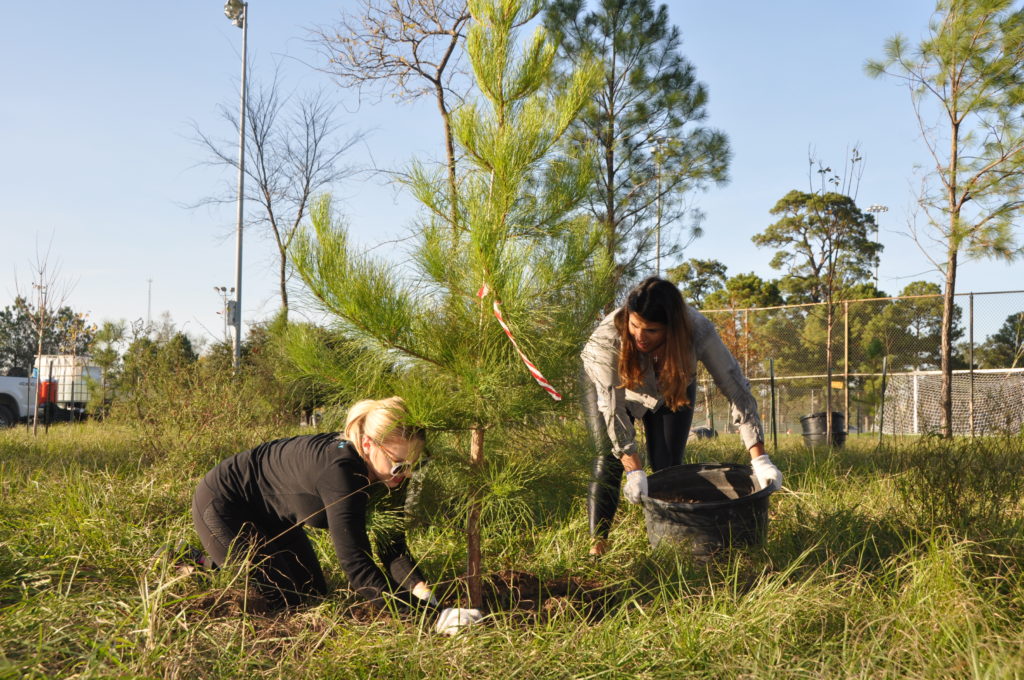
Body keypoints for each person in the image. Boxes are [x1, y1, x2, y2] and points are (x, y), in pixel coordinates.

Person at [187, 396, 482, 634]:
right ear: (368, 444)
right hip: (224, 504)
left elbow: (392, 546)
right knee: (285, 601)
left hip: (274, 516)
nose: (405, 474)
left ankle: (219, 556)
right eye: (399, 464)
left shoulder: (392, 474)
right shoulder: (342, 475)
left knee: (312, 592)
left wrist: (423, 593)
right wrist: (429, 619)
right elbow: (356, 565)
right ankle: (194, 560)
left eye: (415, 464)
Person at [580, 277, 782, 556]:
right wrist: (634, 470)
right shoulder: (606, 340)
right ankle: (597, 547)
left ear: (672, 328)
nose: (639, 335)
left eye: (651, 330)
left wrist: (760, 459)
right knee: (608, 462)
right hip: (615, 389)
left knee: (668, 468)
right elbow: (613, 410)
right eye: (635, 324)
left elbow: (736, 388)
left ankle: (670, 544)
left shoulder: (698, 331)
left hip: (670, 383)